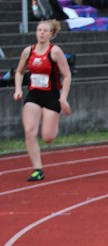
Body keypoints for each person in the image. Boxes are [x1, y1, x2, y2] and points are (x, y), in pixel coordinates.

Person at [13, 20, 72, 182]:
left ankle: (54, 123)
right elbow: (19, 71)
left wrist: (63, 98)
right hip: (33, 96)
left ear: (51, 34)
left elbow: (66, 75)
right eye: (39, 30)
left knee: (47, 137)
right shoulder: (28, 51)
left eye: (46, 31)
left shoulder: (55, 52)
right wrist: (18, 89)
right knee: (29, 132)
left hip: (51, 97)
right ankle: (37, 169)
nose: (42, 33)